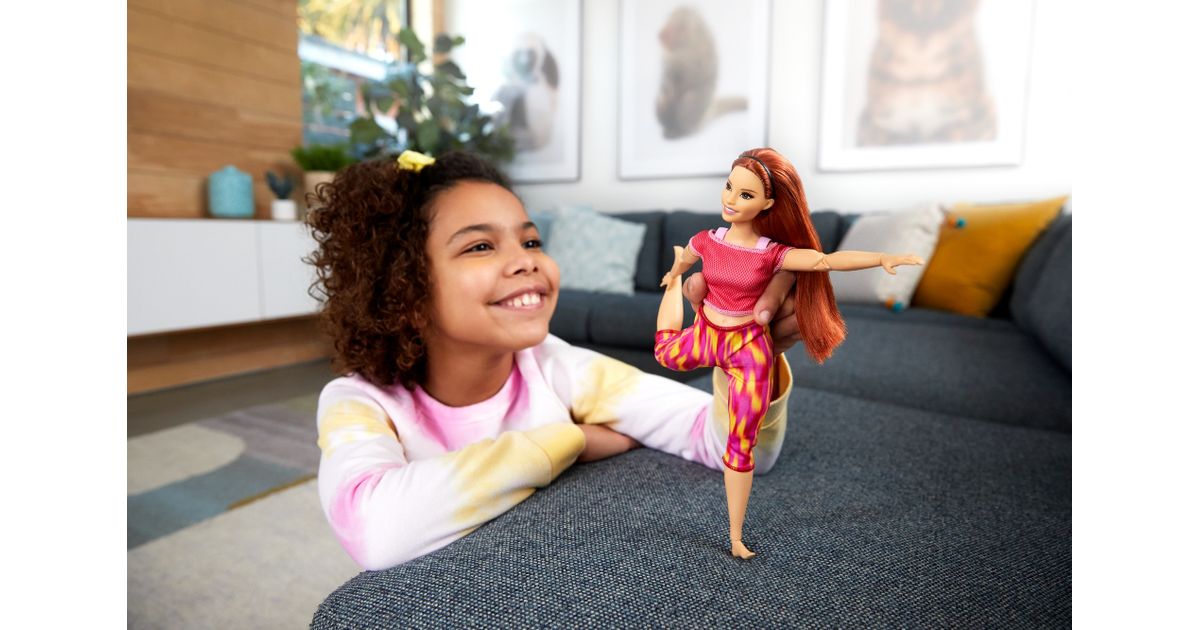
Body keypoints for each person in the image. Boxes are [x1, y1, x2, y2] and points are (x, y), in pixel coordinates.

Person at [305, 149, 801, 570]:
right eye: (480, 246)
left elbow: (732, 448)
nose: (527, 260)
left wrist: (753, 359)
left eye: (531, 241)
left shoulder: (558, 366)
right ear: (404, 290)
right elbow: (377, 533)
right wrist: (570, 440)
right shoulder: (358, 402)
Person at [655, 148, 924, 559]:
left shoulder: (772, 253)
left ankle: (735, 536)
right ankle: (676, 295)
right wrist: (675, 275)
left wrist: (881, 258)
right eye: (729, 187)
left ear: (768, 204)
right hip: (707, 332)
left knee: (741, 443)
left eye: (745, 195)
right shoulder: (706, 240)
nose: (731, 199)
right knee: (664, 352)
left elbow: (825, 261)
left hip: (748, 348)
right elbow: (687, 261)